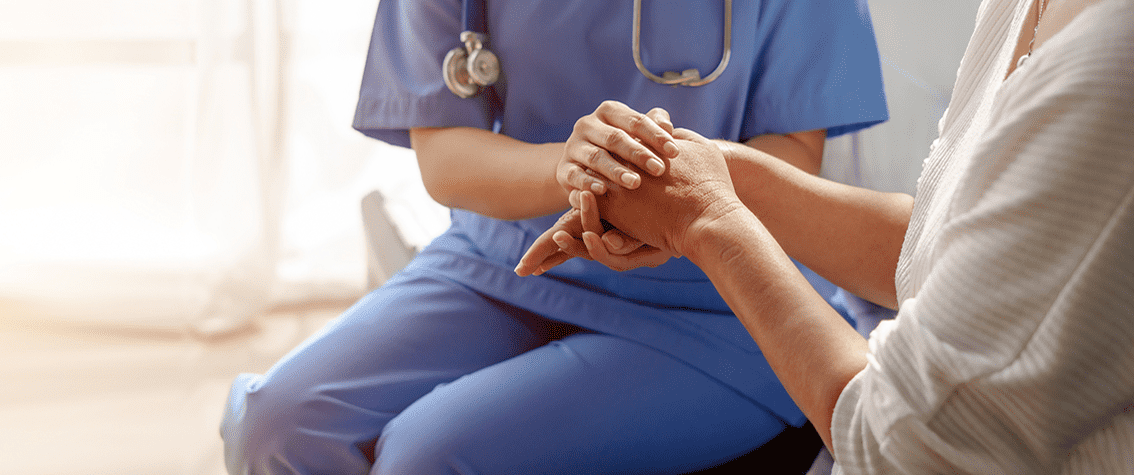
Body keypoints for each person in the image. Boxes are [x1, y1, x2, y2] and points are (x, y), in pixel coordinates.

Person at [219, 0, 888, 473]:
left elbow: (790, 155)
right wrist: (578, 169)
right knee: (277, 426)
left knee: (427, 457)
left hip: (716, 301)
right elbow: (445, 154)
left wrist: (656, 195)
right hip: (503, 260)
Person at [521, 0, 1134, 472]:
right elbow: (959, 253)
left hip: (738, 341)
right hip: (520, 280)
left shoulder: (1113, 60)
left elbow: (906, 449)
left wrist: (706, 219)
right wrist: (710, 173)